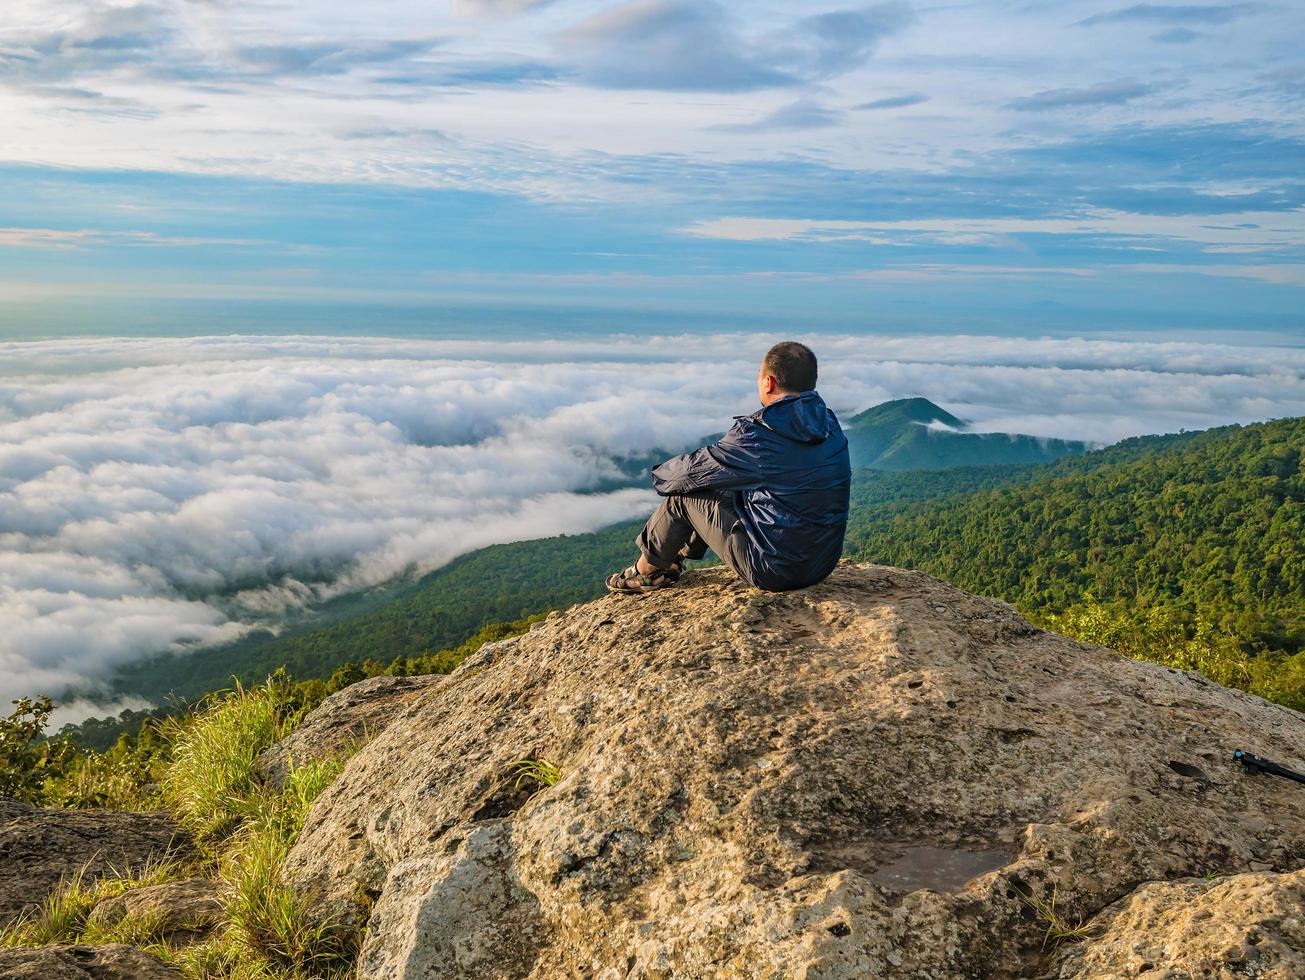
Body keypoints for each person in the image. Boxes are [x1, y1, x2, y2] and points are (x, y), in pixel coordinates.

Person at [607, 341, 851, 594]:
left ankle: (647, 572)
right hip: (822, 563)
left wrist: (658, 473)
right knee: (724, 485)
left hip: (775, 570)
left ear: (769, 383)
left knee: (682, 497)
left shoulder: (759, 436)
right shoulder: (829, 423)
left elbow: (689, 474)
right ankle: (671, 558)